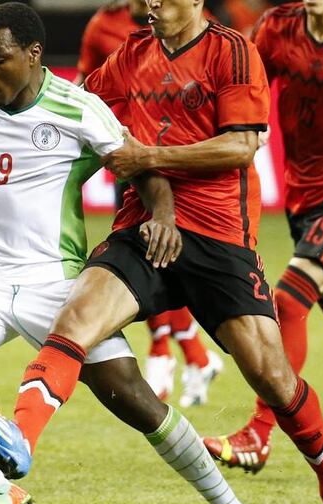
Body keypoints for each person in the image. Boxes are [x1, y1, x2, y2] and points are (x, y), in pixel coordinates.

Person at [0, 0, 323, 504]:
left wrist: (148, 158)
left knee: (273, 378)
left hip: (220, 235)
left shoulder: (233, 51)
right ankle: (20, 438)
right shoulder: (130, 55)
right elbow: (71, 108)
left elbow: (242, 146)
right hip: (143, 226)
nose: (148, 2)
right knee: (75, 321)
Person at [0, 3, 265, 504]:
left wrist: (164, 216)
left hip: (57, 284)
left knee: (137, 402)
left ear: (32, 54)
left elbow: (139, 164)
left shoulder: (78, 108)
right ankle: (1, 489)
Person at [203, 0, 323, 479]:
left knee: (288, 300)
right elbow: (246, 86)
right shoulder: (277, 28)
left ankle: (258, 433)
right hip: (303, 198)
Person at [75, 0, 223, 408]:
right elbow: (85, 85)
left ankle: (170, 354)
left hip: (177, 165)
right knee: (149, 257)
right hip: (129, 158)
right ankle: (190, 354)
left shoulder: (193, 27)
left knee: (160, 259)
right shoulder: (104, 27)